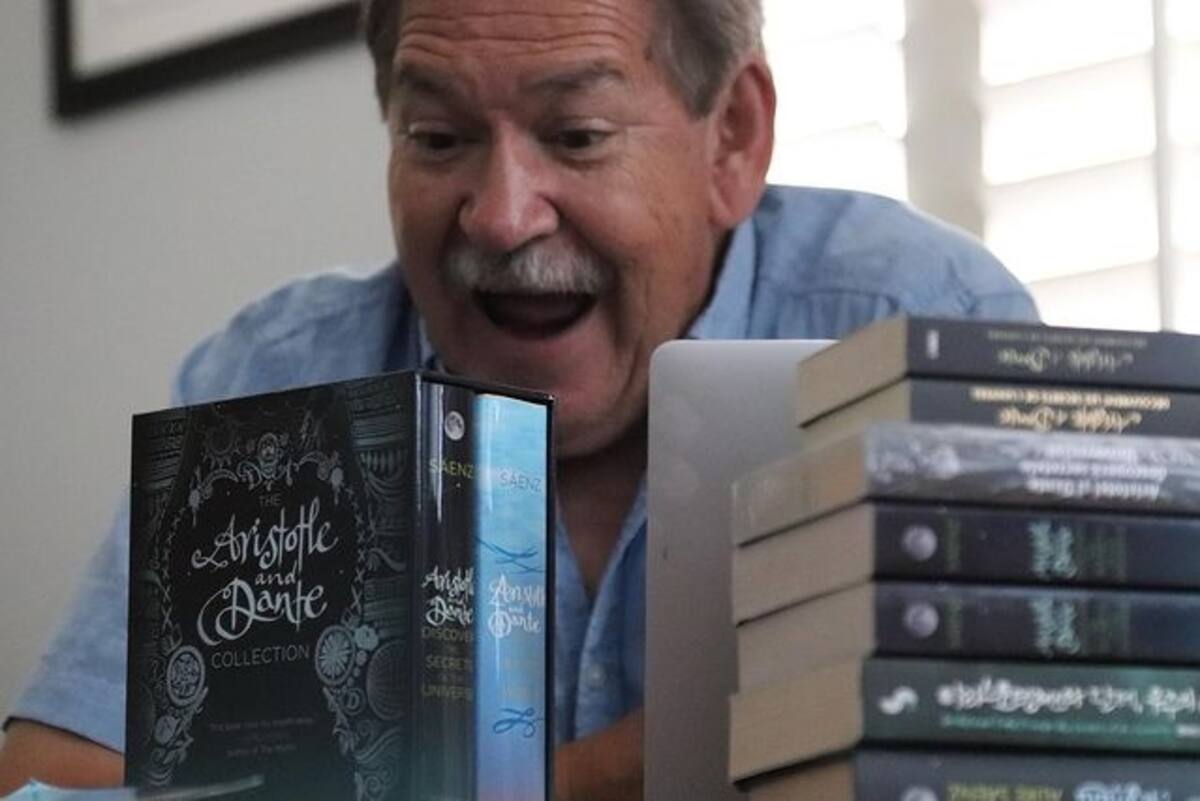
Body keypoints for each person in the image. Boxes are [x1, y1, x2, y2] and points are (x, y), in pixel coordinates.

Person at [0, 0, 1038, 798]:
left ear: (731, 137)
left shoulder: (916, 328)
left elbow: (1026, 738)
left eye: (577, 134)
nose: (500, 218)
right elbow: (47, 782)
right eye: (437, 138)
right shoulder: (278, 378)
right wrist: (599, 776)